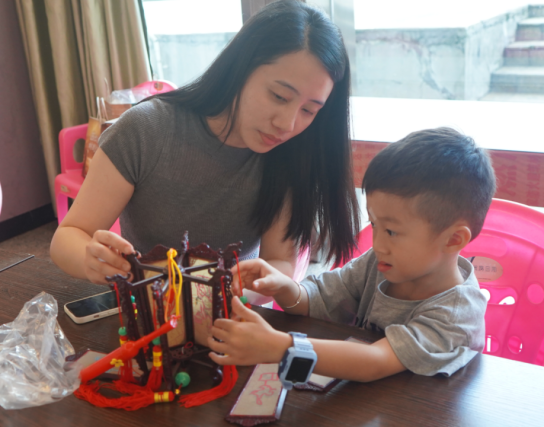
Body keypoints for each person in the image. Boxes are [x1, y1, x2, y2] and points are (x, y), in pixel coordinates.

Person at [50, 0, 360, 286]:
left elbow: (280, 260)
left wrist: (243, 290)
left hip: (233, 310)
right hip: (148, 303)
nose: (287, 124)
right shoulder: (144, 131)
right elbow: (69, 236)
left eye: (309, 111)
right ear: (240, 69)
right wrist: (90, 259)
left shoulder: (292, 153)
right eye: (279, 96)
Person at [209, 127, 496, 381]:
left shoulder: (457, 314)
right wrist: (285, 288)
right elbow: (319, 300)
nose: (377, 244)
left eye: (392, 231)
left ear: (453, 239)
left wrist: (281, 346)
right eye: (374, 224)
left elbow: (375, 362)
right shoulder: (380, 263)